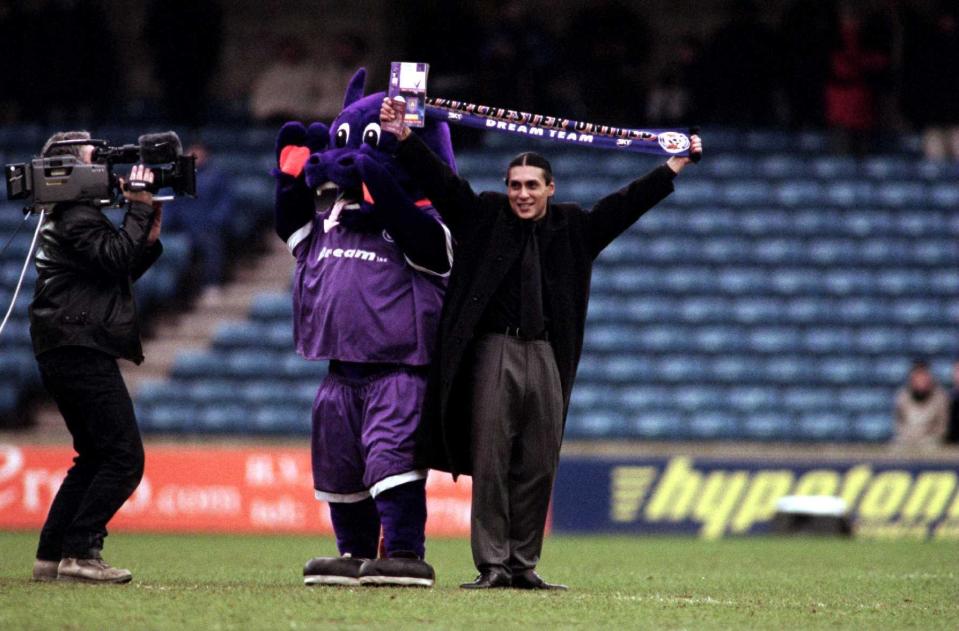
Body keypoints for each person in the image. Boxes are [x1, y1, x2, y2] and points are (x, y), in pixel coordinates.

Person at [381, 99, 701, 590]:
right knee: (490, 460)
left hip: (547, 355)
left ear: (551, 188)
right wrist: (403, 137)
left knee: (538, 461)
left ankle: (522, 564)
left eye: (532, 186)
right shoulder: (482, 215)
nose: (522, 194)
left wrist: (673, 165)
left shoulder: (574, 226)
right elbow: (441, 185)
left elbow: (625, 205)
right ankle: (491, 564)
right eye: (515, 185)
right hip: (494, 352)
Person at [29, 131, 163, 583]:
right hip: (77, 345)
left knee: (93, 455)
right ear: (71, 171)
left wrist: (147, 235)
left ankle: (52, 554)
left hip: (67, 344)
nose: (104, 167)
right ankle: (80, 552)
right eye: (94, 159)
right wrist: (139, 208)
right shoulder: (77, 216)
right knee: (125, 456)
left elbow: (115, 269)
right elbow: (113, 257)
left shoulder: (69, 216)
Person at [893, 360, 949, 448]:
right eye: (917, 377)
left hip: (931, 441)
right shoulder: (902, 397)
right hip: (907, 440)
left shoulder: (940, 398)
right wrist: (909, 437)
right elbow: (899, 423)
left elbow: (942, 426)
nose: (921, 380)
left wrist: (930, 437)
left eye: (923, 377)